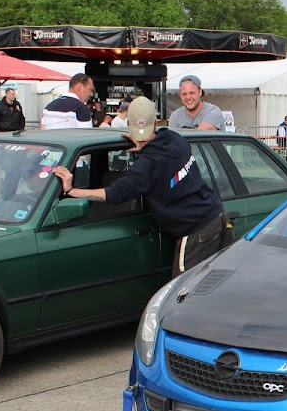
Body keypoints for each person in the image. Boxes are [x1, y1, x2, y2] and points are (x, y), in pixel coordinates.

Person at [51, 97, 232, 277]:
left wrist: (72, 191)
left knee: (184, 289)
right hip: (217, 215)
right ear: (156, 122)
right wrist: (145, 147)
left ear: (129, 124)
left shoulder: (146, 166)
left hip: (197, 231)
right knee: (218, 283)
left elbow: (114, 193)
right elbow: (161, 156)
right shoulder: (174, 139)